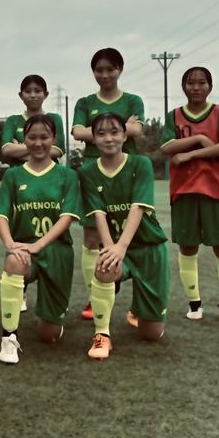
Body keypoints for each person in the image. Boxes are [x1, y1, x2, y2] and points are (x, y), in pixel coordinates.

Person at [78, 112, 170, 360]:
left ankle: (139, 307)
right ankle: (102, 335)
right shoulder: (87, 171)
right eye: (101, 133)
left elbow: (137, 208)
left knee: (151, 334)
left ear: (124, 135)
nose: (109, 138)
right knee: (105, 266)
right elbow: (98, 214)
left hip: (149, 248)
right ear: (94, 139)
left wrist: (122, 246)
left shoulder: (141, 164)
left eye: (114, 132)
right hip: (117, 246)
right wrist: (111, 249)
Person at [0, 115, 81, 364]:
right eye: (32, 137)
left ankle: (52, 314)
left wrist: (39, 244)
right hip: (25, 249)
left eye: (44, 137)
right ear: (24, 139)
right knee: (14, 262)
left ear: (53, 140)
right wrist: (11, 245)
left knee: (49, 335)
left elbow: (66, 217)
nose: (38, 143)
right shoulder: (13, 175)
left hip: (58, 251)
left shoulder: (67, 176)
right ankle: (8, 337)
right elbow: (1, 215)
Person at [161, 66, 219, 323]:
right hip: (184, 189)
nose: (196, 87)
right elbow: (167, 146)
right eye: (191, 83)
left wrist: (193, 152)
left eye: (202, 83)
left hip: (217, 189)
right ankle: (194, 304)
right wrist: (201, 140)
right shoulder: (174, 116)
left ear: (210, 86)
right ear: (183, 87)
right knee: (187, 247)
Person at [71, 48, 144, 320]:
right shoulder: (85, 101)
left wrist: (96, 132)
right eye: (99, 70)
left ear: (120, 70)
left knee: (135, 238)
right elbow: (76, 131)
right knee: (92, 238)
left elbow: (137, 130)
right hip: (93, 173)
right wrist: (118, 128)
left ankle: (140, 303)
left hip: (127, 173)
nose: (104, 75)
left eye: (110, 69)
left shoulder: (133, 100)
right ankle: (94, 296)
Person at [0, 74, 66, 313]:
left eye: (38, 90)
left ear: (46, 94)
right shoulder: (12, 120)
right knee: (21, 236)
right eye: (28, 90)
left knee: (53, 234)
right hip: (21, 187)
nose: (33, 94)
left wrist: (26, 149)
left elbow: (58, 150)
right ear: (21, 95)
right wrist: (36, 153)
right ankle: (21, 290)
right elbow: (5, 150)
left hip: (48, 184)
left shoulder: (54, 118)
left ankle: (51, 297)